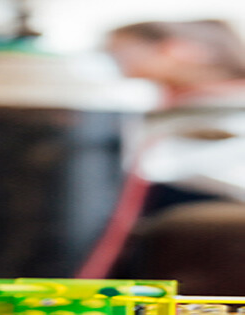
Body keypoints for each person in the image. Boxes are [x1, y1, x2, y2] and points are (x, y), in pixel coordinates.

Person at [79, 19, 245, 279]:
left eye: (119, 52)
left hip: (208, 198)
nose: (111, 62)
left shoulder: (229, 107)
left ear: (176, 49)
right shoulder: (159, 107)